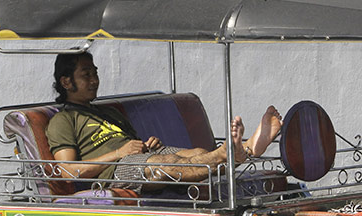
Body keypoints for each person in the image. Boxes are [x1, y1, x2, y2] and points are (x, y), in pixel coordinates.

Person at [45, 52, 282, 192]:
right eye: (86, 75)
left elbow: (131, 146)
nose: (95, 80)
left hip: (136, 157)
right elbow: (66, 171)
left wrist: (145, 144)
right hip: (113, 172)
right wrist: (119, 152)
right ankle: (235, 152)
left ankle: (243, 150)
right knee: (165, 164)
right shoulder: (63, 120)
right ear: (66, 82)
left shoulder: (109, 113)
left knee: (197, 152)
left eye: (95, 73)